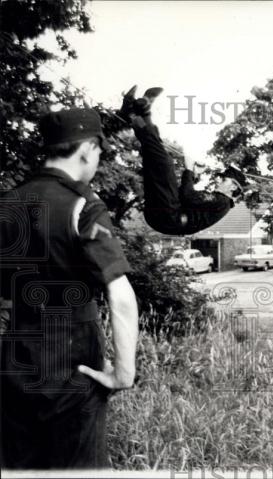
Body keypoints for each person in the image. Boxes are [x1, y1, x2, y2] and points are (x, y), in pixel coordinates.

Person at [0, 108, 139, 469]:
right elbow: (120, 294)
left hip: (16, 360)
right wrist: (123, 373)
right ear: (88, 149)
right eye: (99, 152)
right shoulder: (83, 205)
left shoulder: (7, 204)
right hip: (73, 362)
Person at [118, 86, 247, 236]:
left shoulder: (222, 201)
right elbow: (187, 197)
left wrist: (189, 169)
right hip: (164, 217)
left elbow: (187, 195)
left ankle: (141, 112)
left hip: (169, 217)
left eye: (224, 180)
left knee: (164, 163)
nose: (219, 180)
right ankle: (135, 115)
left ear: (233, 187)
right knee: (154, 152)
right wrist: (194, 176)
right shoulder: (218, 202)